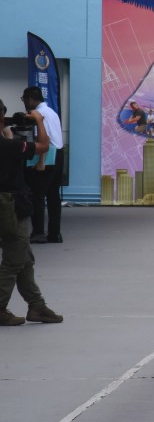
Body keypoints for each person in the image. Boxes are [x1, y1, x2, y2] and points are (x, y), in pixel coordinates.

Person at [0, 101, 63, 325]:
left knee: (24, 258)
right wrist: (38, 121)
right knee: (14, 261)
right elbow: (44, 146)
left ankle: (37, 305)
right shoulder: (11, 147)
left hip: (7, 207)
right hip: (11, 206)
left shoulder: (8, 145)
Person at [22, 87, 64, 245]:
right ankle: (55, 234)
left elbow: (43, 139)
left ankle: (38, 232)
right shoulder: (52, 112)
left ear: (31, 99)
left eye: (24, 99)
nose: (25, 103)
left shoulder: (39, 114)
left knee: (37, 195)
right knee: (53, 196)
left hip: (47, 155)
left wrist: (41, 162)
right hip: (59, 154)